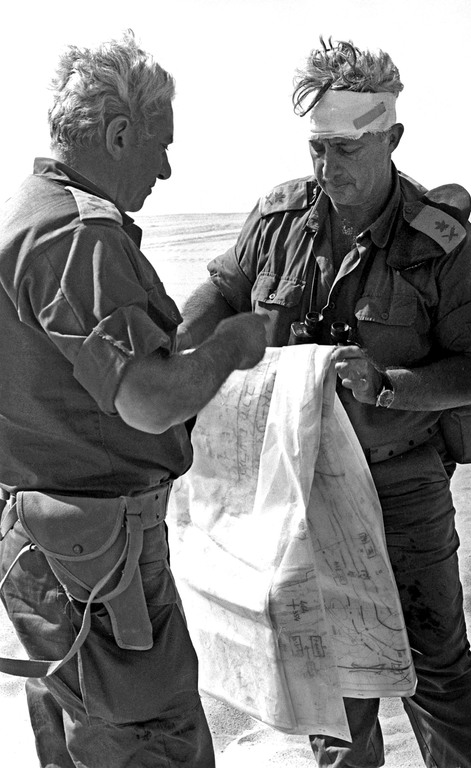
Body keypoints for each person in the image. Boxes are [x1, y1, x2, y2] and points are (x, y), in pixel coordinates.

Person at [180, 38, 471, 768]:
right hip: (298, 486)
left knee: (437, 671)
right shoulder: (279, 219)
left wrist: (390, 384)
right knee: (331, 680)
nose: (328, 170)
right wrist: (175, 344)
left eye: (346, 150)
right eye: (317, 149)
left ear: (391, 137)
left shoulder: (444, 244)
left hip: (401, 485)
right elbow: (225, 292)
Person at [0, 31, 267, 768]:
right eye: (160, 144)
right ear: (120, 134)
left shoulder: (28, 212)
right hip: (96, 562)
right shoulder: (75, 236)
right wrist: (232, 347)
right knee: (153, 740)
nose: (167, 167)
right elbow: (147, 402)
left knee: (84, 735)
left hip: (54, 548)